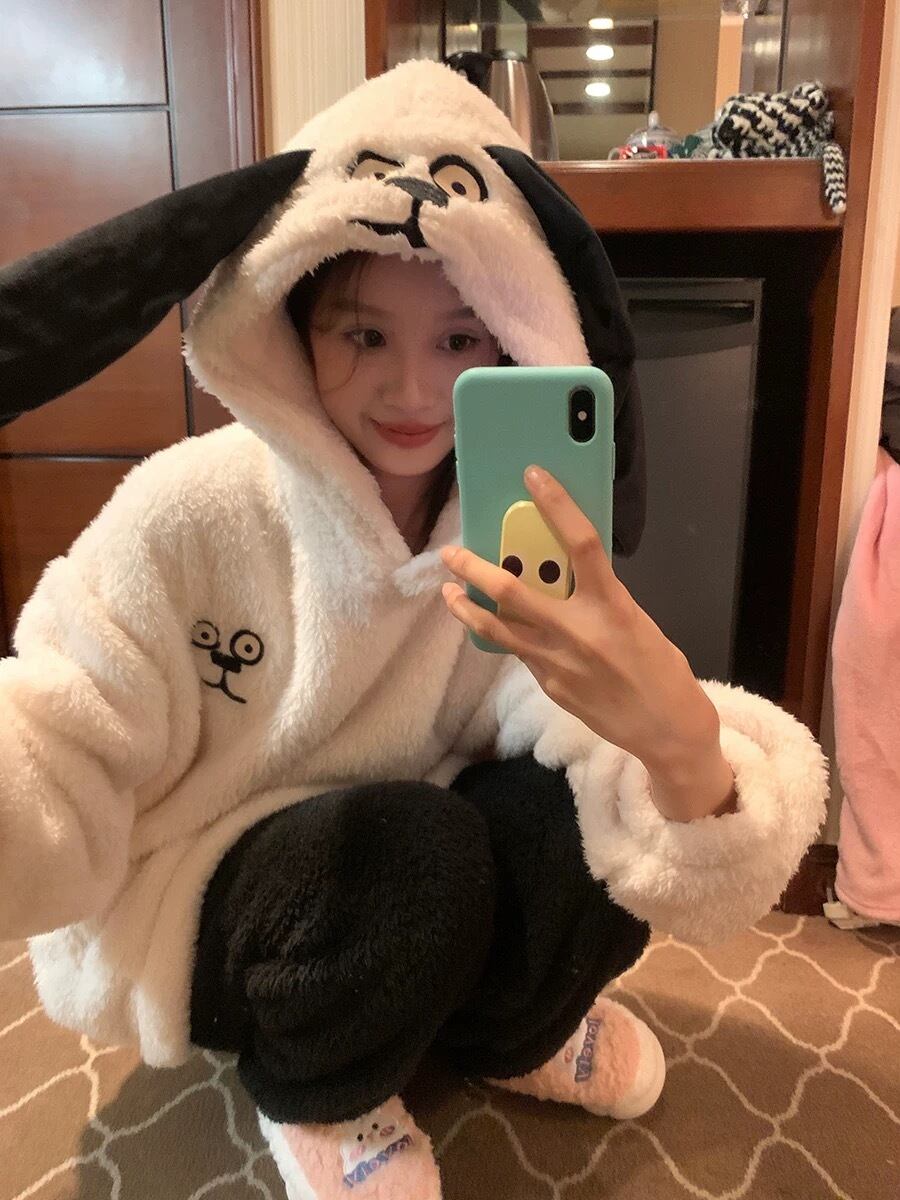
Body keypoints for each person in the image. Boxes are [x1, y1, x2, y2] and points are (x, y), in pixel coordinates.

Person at [0, 60, 827, 1200]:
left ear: (513, 339)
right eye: (363, 334)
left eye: (458, 341)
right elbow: (60, 731)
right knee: (411, 856)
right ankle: (319, 1089)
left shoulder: (513, 526)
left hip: (411, 883)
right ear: (289, 321)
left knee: (590, 818)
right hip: (224, 904)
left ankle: (505, 1031)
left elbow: (594, 758)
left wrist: (679, 741)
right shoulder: (188, 511)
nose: (411, 393)